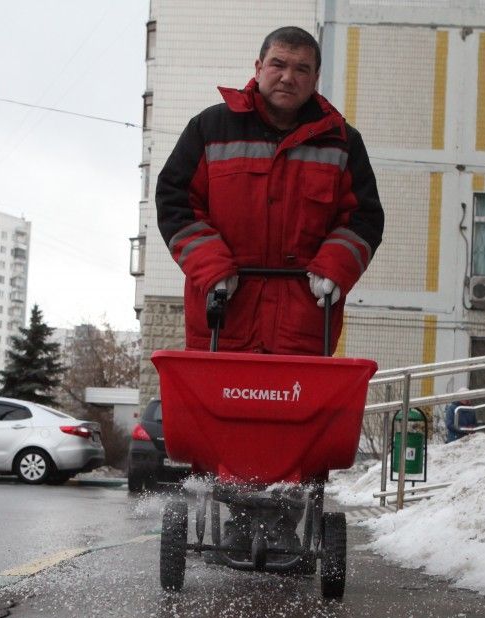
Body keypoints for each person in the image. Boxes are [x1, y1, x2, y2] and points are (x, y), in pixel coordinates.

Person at [156, 26, 385, 553]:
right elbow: (174, 201)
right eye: (279, 64)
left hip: (302, 318)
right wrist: (213, 265)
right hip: (225, 314)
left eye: (301, 68)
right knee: (229, 431)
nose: (288, 76)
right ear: (258, 65)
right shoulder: (210, 129)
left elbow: (364, 217)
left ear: (315, 77)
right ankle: (241, 522)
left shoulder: (342, 142)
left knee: (292, 431)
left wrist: (335, 265)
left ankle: (280, 523)